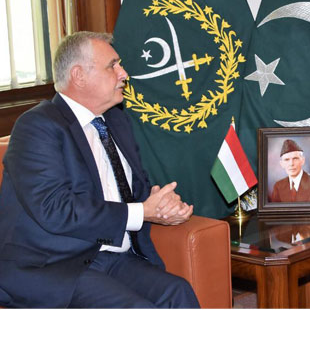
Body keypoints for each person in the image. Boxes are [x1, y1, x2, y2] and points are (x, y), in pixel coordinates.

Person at [0, 31, 199, 308]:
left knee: (178, 293)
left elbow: (135, 191)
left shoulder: (115, 121)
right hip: (57, 267)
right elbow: (54, 208)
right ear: (79, 76)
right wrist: (142, 211)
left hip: (113, 258)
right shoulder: (37, 127)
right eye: (113, 65)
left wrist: (163, 208)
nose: (124, 74)